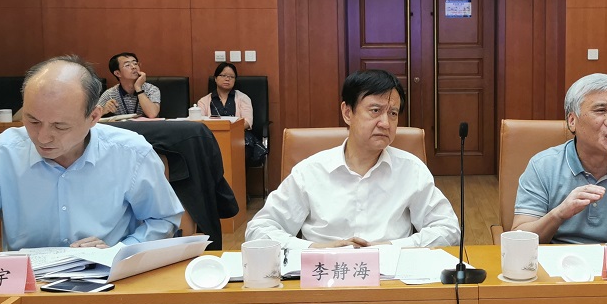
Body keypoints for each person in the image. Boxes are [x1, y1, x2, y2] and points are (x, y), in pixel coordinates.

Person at [0, 55, 184, 262]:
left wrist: (119, 251)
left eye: (60, 126)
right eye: (33, 120)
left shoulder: (131, 153)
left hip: (109, 284)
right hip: (28, 292)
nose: (43, 137)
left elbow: (163, 219)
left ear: (94, 117)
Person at [245, 69, 459, 249]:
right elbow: (259, 230)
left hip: (391, 277)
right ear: (348, 113)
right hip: (323, 275)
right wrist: (314, 248)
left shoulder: (411, 170)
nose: (385, 123)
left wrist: (391, 248)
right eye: (375, 110)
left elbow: (448, 230)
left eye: (393, 113)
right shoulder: (310, 171)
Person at [513, 73, 607, 244]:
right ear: (572, 121)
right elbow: (519, 240)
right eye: (601, 110)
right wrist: (559, 214)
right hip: (556, 258)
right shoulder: (543, 165)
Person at [98, 52, 161, 118]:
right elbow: (92, 116)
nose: (134, 67)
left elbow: (152, 114)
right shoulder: (110, 94)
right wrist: (103, 111)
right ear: (117, 73)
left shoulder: (151, 89)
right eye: (127, 65)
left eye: (135, 63)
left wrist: (138, 88)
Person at [196, 62, 253, 130]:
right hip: (212, 134)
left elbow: (247, 122)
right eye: (223, 75)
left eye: (231, 77)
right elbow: (199, 124)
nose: (227, 79)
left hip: (238, 133)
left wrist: (228, 129)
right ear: (215, 78)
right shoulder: (203, 101)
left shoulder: (243, 98)